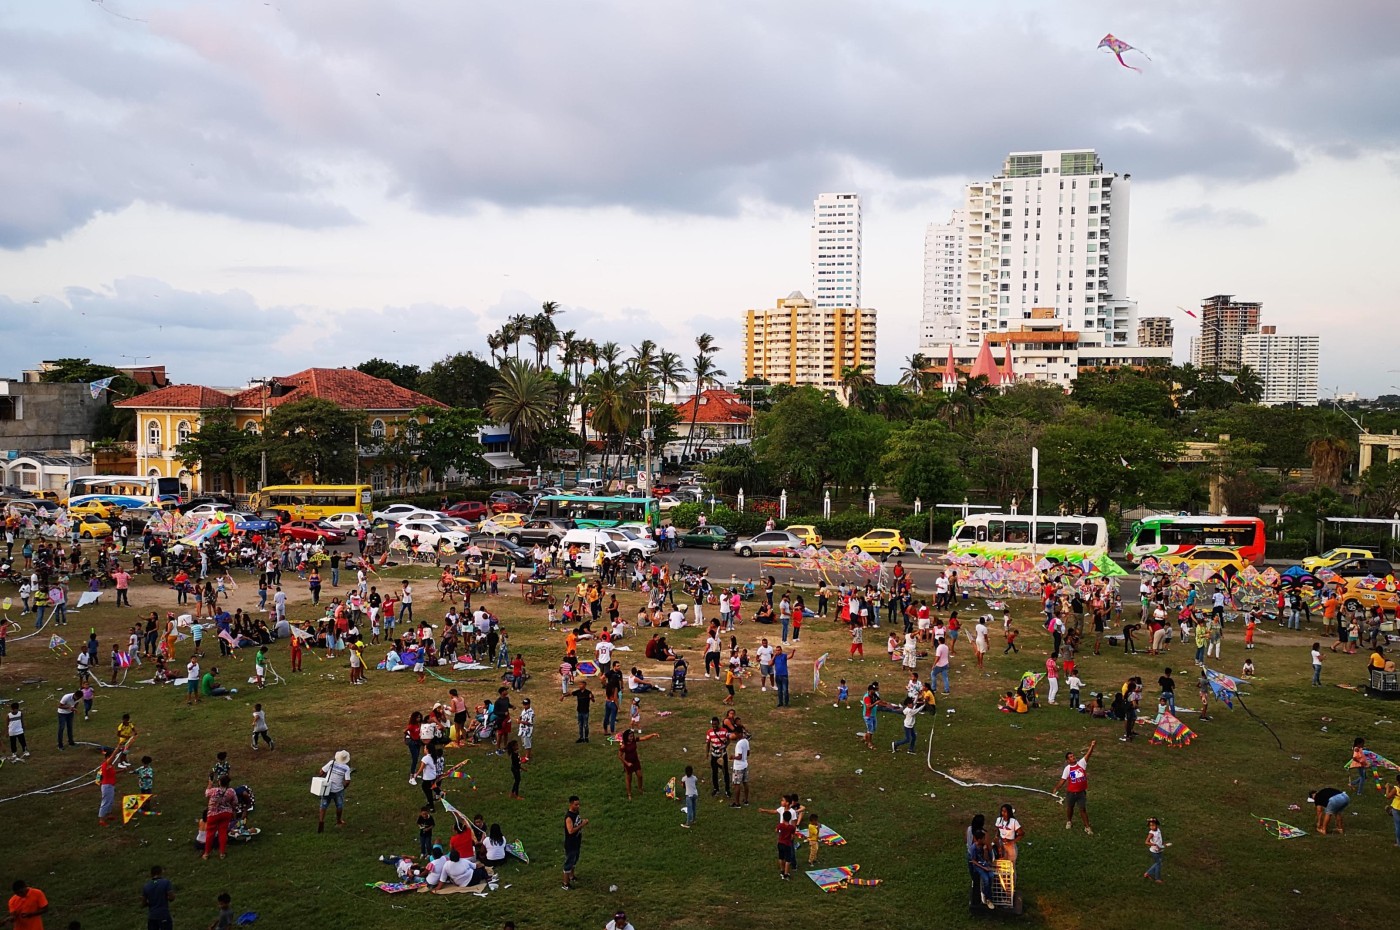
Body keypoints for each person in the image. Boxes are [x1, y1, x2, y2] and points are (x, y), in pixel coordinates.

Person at [1054, 739, 1097, 834]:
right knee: (1070, 807)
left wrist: (1092, 746)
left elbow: (1088, 755)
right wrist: (1056, 788)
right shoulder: (1068, 769)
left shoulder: (1081, 764)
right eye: (1071, 757)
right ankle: (1069, 821)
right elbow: (1063, 780)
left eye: (1073, 756)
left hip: (1081, 793)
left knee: (1082, 809)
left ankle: (1087, 827)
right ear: (1068, 760)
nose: (1073, 757)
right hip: (1071, 793)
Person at [203, 775, 237, 860]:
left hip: (213, 814)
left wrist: (210, 783)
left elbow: (206, 793)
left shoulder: (214, 790)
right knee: (222, 832)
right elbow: (235, 802)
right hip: (226, 814)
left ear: (219, 782)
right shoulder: (231, 791)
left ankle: (206, 853)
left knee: (210, 833)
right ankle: (222, 853)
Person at [317, 749, 351, 832]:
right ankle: (339, 821)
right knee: (339, 806)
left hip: (327, 788)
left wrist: (319, 778)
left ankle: (321, 822)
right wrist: (343, 787)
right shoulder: (346, 768)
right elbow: (347, 781)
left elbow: (322, 771)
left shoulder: (332, 763)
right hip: (338, 790)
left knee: (323, 806)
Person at [967, 828, 997, 909]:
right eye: (983, 839)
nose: (984, 840)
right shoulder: (973, 848)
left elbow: (986, 858)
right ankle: (988, 898)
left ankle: (986, 892)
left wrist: (985, 851)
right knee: (986, 879)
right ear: (979, 839)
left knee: (991, 876)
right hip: (978, 866)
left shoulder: (983, 846)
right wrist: (983, 867)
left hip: (985, 864)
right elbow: (973, 861)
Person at [562, 795, 587, 890]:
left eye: (579, 804)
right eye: (576, 804)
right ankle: (565, 883)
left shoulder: (576, 813)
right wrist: (582, 824)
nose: (578, 806)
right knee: (569, 863)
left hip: (576, 842)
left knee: (574, 860)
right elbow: (570, 831)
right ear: (571, 804)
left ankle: (571, 877)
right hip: (571, 844)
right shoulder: (569, 817)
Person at [142, 865, 175, 930]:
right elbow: (172, 898)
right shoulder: (166, 882)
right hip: (163, 914)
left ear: (151, 874)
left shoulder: (146, 886)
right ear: (161, 872)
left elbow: (143, 903)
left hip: (152, 916)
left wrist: (150, 902)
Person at [706, 717, 731, 799]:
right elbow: (708, 743)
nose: (714, 726)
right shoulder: (709, 732)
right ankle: (716, 789)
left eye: (715, 724)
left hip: (722, 755)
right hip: (714, 756)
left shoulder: (724, 731)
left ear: (718, 723)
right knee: (714, 773)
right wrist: (707, 753)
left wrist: (725, 745)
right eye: (713, 724)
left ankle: (727, 790)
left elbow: (729, 739)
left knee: (725, 772)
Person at [731, 727, 751, 807]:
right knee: (745, 782)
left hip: (738, 767)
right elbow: (748, 753)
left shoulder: (739, 744)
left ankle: (737, 803)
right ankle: (746, 800)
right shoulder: (746, 741)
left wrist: (733, 757)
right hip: (745, 765)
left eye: (736, 734)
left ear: (739, 733)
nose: (735, 735)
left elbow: (739, 757)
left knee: (737, 784)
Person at [1143, 817, 1168, 883]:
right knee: (1158, 863)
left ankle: (1147, 873)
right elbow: (1146, 842)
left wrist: (1162, 844)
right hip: (1155, 851)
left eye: (1153, 825)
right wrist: (1154, 844)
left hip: (1159, 849)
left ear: (1157, 825)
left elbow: (1159, 839)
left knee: (1158, 863)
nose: (1152, 827)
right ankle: (1157, 878)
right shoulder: (1151, 833)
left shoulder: (1158, 830)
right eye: (1150, 826)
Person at [1385, 772, 1400, 847]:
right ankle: (1390, 812)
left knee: (1398, 826)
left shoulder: (1396, 789)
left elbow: (1388, 796)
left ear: (1397, 781)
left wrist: (1387, 788)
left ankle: (1398, 843)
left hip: (1397, 808)